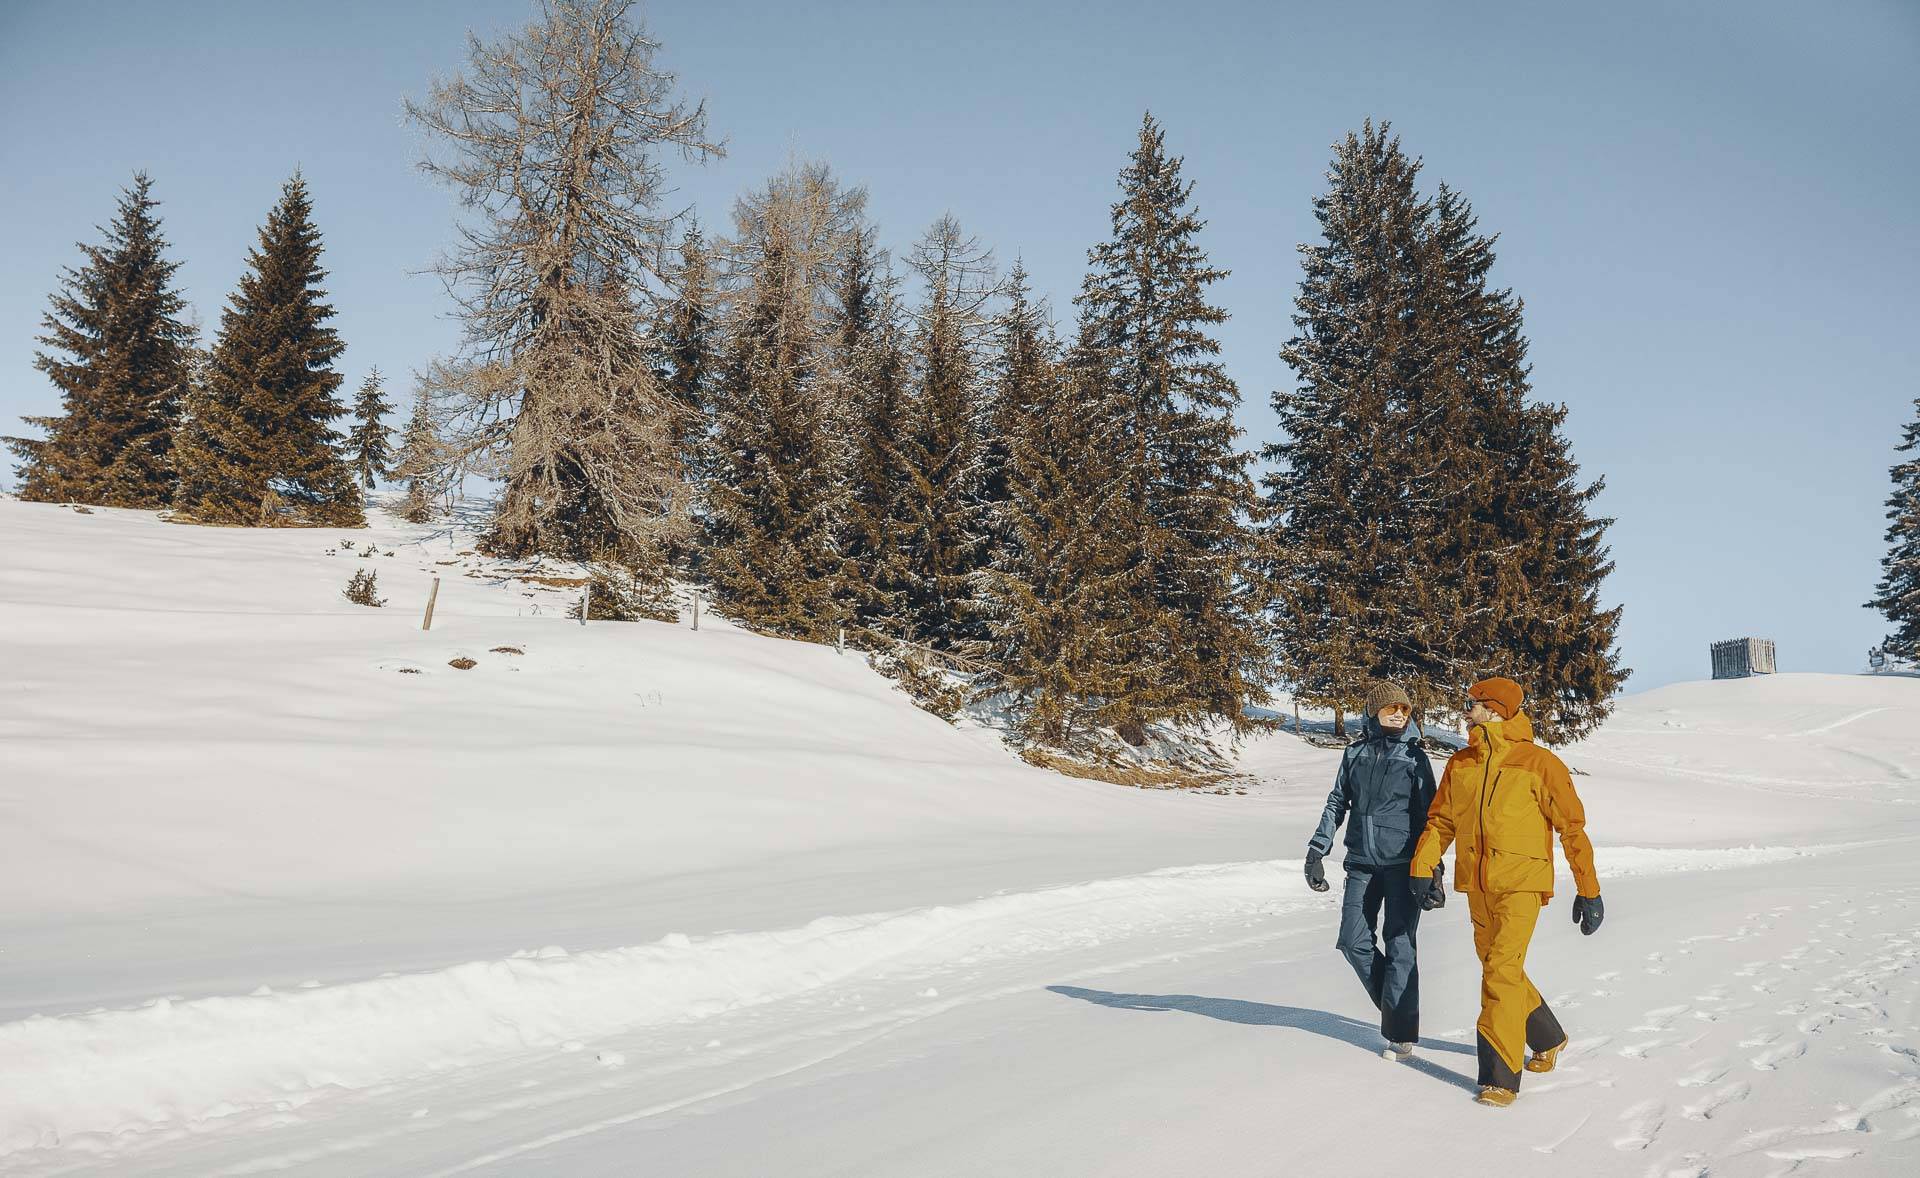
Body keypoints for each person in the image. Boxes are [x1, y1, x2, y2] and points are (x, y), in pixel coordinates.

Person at [1408, 676, 1605, 1108]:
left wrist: (1588, 890)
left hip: (1521, 883)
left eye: (1472, 704)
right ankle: (1549, 1038)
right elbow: (1441, 821)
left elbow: (1572, 829)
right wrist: (1422, 867)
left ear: (1494, 710)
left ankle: (1500, 1077)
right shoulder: (1461, 763)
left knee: (1499, 970)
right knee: (1501, 967)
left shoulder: (1539, 763)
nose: (1465, 711)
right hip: (1478, 884)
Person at [1304, 681, 1446, 1060]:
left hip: (1403, 865)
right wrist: (1317, 849)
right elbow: (1337, 802)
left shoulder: (1414, 758)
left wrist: (1433, 870)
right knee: (1352, 940)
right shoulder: (1354, 754)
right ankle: (1398, 1008)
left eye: (1404, 708)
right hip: (1361, 863)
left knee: (1399, 943)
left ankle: (1400, 1032)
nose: (1399, 714)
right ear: (1374, 711)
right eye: (1391, 708)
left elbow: (1431, 818)